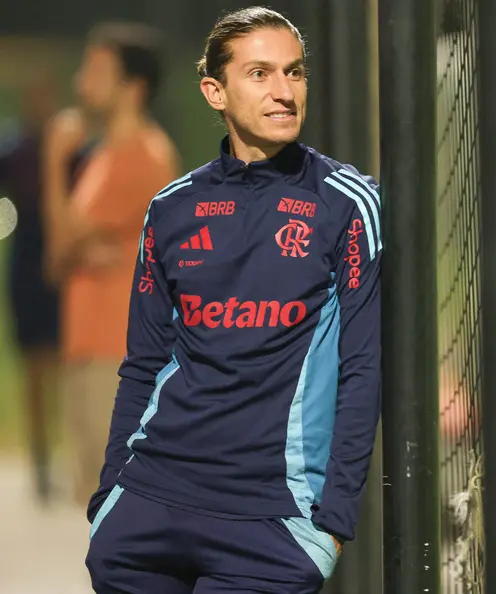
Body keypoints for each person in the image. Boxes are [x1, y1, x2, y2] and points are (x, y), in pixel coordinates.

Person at [84, 7, 382, 593]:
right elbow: (144, 363)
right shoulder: (171, 208)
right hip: (149, 507)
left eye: (294, 73)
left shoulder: (347, 203)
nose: (283, 91)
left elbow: (363, 366)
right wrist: (110, 495)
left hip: (268, 523)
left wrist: (334, 520)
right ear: (214, 92)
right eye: (260, 74)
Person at [42, 22, 179, 509]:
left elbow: (62, 240)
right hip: (87, 343)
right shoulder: (102, 156)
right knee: (96, 498)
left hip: (116, 351)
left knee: (118, 503)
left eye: (98, 68)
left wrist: (54, 161)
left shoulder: (143, 156)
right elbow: (59, 257)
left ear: (133, 86)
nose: (84, 78)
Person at [0, 72, 85, 504]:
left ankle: (70, 455)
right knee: (33, 362)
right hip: (27, 255)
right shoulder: (13, 150)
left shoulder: (74, 151)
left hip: (64, 257)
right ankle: (39, 458)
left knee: (66, 360)